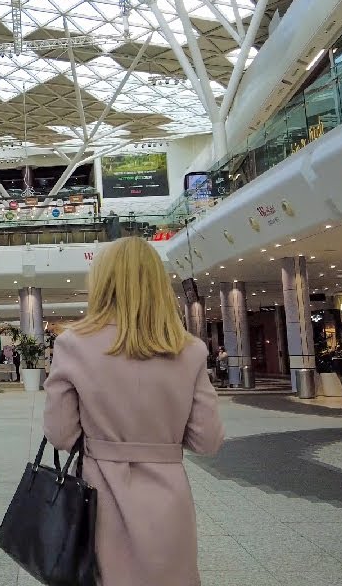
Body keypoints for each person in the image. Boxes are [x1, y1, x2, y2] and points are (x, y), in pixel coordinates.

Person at [43, 236, 224, 586]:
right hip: (169, 503)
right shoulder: (190, 351)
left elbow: (60, 432)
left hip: (99, 498)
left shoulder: (73, 343)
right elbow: (208, 440)